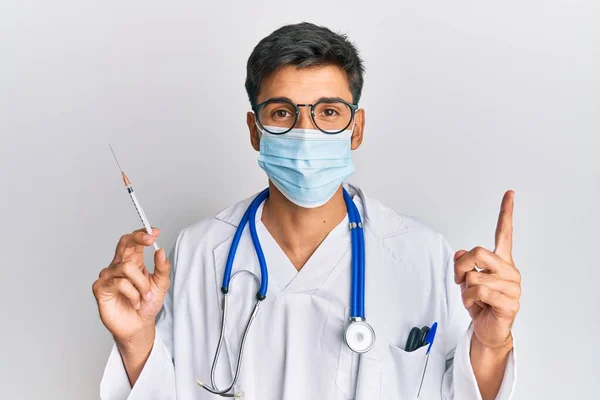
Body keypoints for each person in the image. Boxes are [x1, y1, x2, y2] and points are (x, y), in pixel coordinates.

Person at [93, 22, 520, 400]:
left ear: (356, 129)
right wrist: (134, 339)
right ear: (254, 131)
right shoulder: (201, 251)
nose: (304, 133)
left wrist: (493, 344)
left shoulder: (420, 253)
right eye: (282, 113)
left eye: (328, 112)